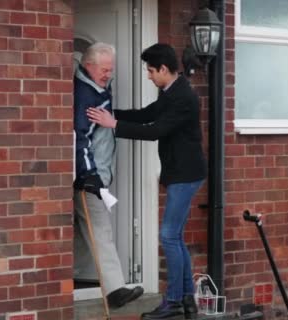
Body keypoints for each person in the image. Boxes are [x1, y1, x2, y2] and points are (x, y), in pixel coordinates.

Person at [87, 43, 207, 320]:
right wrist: (111, 114)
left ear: (164, 69)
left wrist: (113, 125)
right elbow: (147, 114)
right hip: (181, 173)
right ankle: (188, 301)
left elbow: (156, 130)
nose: (149, 76)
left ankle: (173, 301)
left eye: (151, 71)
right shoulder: (171, 90)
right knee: (175, 237)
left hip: (186, 175)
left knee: (168, 236)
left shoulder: (184, 97)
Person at [72, 42, 144, 308]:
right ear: (88, 66)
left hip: (95, 175)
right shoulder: (85, 95)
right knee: (100, 229)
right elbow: (80, 139)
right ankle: (115, 290)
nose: (108, 75)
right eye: (104, 70)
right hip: (89, 180)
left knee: (83, 231)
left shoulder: (95, 86)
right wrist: (89, 174)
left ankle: (76, 275)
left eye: (110, 71)